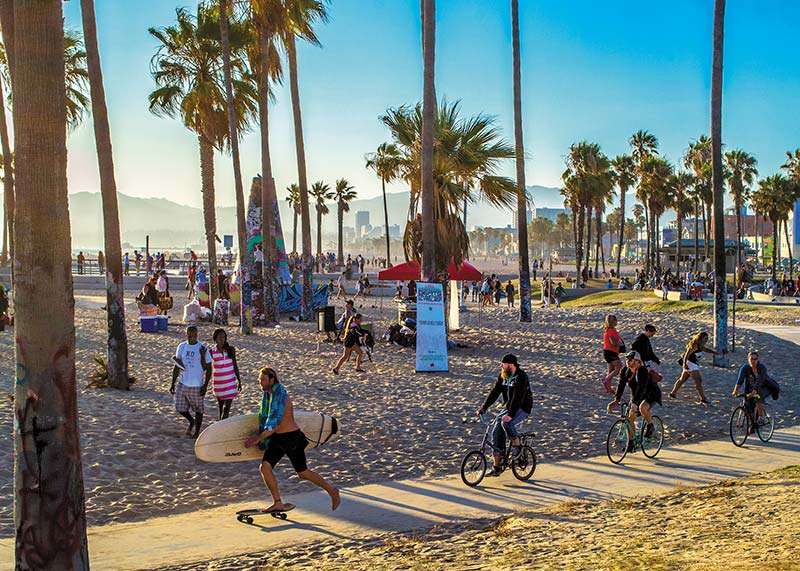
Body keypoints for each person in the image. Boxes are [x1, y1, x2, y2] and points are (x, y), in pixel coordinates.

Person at [244, 367, 340, 513]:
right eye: (259, 379)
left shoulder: (279, 396)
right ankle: (277, 503)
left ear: (272, 380)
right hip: (278, 438)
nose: (260, 382)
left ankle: (332, 491)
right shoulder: (269, 395)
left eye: (263, 379)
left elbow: (273, 425)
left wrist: (256, 439)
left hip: (291, 438)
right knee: (265, 467)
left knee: (303, 473)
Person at [477, 354, 533, 477]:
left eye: (503, 364)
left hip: (522, 407)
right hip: (508, 407)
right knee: (496, 432)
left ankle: (517, 447)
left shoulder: (521, 377)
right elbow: (494, 392)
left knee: (506, 422)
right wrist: (484, 408)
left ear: (511, 365)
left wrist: (510, 415)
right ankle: (497, 466)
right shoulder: (503, 376)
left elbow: (518, 398)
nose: (501, 366)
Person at [608, 351, 662, 450]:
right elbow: (621, 385)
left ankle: (651, 426)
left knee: (643, 407)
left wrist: (635, 402)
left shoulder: (642, 371)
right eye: (627, 359)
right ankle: (631, 443)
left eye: (630, 360)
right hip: (637, 395)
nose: (628, 361)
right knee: (629, 418)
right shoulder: (625, 370)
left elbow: (642, 388)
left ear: (637, 362)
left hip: (651, 393)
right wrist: (616, 399)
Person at [170, 326, 212, 438]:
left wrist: (205, 386)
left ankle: (197, 432)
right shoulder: (182, 346)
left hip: (197, 384)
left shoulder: (202, 348)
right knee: (180, 407)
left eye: (194, 336)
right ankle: (191, 421)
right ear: (186, 334)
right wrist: (173, 382)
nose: (191, 338)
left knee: (199, 409)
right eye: (189, 336)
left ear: (197, 335)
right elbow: (177, 365)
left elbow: (208, 368)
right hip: (183, 383)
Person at [670, 331, 717, 406]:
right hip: (691, 364)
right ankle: (703, 398)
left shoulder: (700, 345)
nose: (706, 340)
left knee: (682, 379)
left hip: (692, 364)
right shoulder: (694, 345)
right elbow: (686, 354)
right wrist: (684, 364)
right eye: (705, 339)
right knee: (698, 381)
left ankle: (673, 393)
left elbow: (706, 350)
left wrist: (714, 353)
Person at [732, 351, 776, 429]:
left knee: (759, 396)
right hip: (750, 389)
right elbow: (740, 379)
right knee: (748, 405)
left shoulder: (762, 368)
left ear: (758, 360)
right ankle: (753, 424)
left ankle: (760, 416)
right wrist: (736, 390)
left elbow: (760, 381)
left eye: (755, 359)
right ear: (748, 359)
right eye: (751, 359)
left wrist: (755, 391)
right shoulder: (745, 368)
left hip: (764, 387)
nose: (753, 361)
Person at [209, 328, 242, 420]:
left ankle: (222, 426)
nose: (222, 339)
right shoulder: (211, 352)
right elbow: (205, 366)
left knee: (226, 408)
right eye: (220, 337)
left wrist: (239, 380)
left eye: (224, 337)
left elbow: (235, 365)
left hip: (230, 383)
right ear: (215, 339)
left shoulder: (230, 350)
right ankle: (221, 425)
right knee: (220, 407)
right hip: (219, 384)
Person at [600, 314, 624, 394]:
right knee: (619, 367)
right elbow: (613, 343)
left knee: (611, 370)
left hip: (613, 352)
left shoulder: (612, 330)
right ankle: (606, 379)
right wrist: (620, 344)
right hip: (609, 352)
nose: (616, 321)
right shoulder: (610, 331)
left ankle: (608, 388)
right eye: (615, 320)